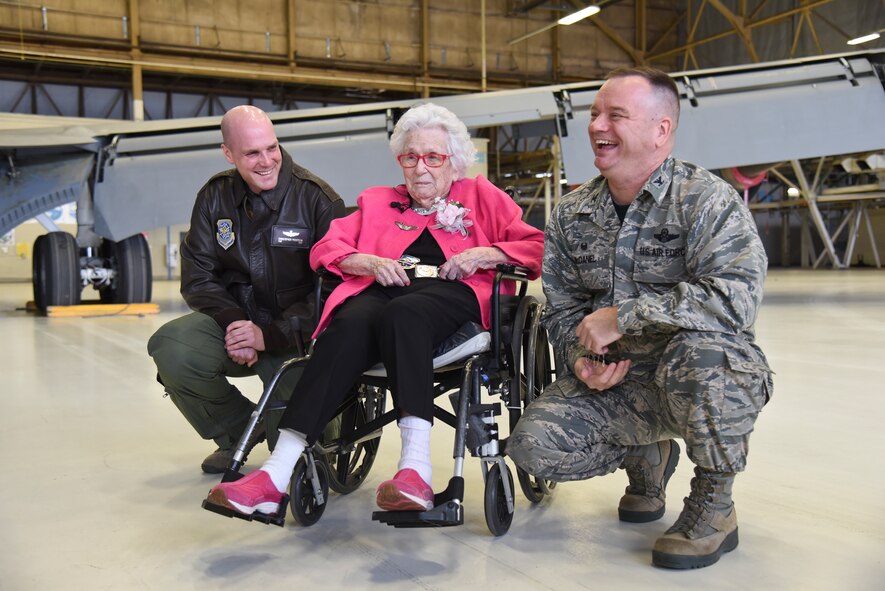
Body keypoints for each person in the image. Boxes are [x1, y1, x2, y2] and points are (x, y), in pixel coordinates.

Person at [205, 102, 544, 516]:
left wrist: (485, 253)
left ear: (454, 160)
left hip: (453, 294)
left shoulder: (481, 195)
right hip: (383, 292)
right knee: (346, 324)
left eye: (433, 157)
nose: (421, 168)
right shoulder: (377, 201)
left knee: (405, 314)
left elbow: (535, 248)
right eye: (410, 157)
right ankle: (273, 475)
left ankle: (415, 470)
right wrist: (363, 262)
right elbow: (327, 248)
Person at [507, 67, 773, 570]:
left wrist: (624, 317)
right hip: (620, 386)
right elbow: (561, 307)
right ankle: (646, 454)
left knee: (711, 355)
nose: (596, 125)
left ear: (661, 130)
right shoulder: (570, 213)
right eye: (594, 114)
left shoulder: (705, 200)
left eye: (616, 115)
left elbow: (736, 298)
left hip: (695, 379)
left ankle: (714, 506)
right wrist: (581, 358)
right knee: (533, 449)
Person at [148, 105, 345, 474]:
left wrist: (268, 335)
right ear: (229, 153)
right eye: (252, 153)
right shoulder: (214, 196)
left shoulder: (317, 200)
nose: (267, 161)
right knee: (172, 347)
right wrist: (238, 325)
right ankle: (237, 431)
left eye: (271, 148)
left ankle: (291, 429)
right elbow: (198, 275)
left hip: (297, 338)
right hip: (234, 328)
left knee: (299, 454)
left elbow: (334, 289)